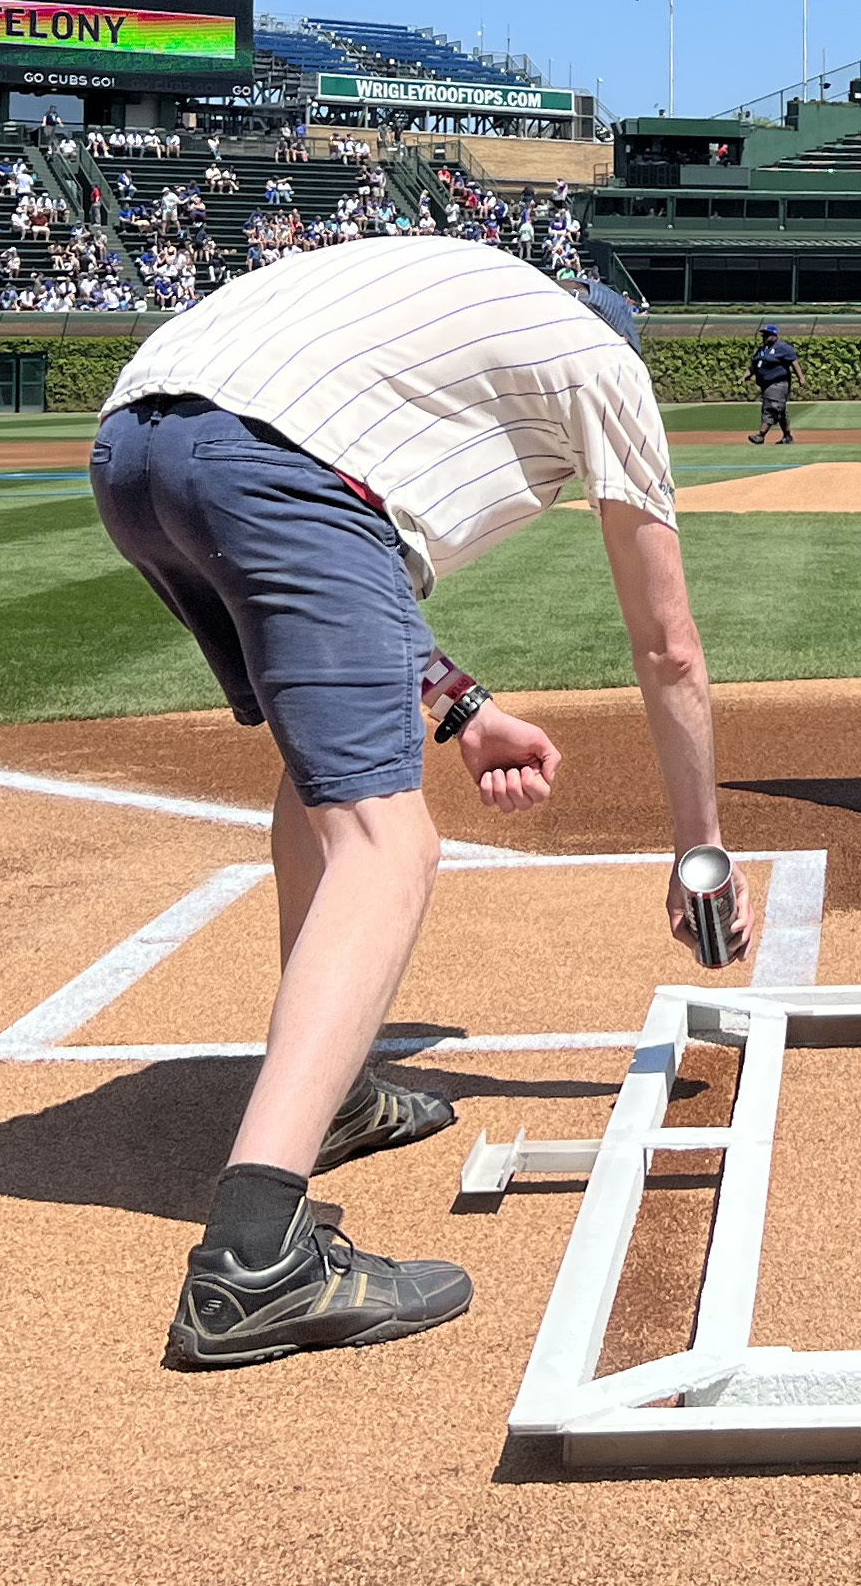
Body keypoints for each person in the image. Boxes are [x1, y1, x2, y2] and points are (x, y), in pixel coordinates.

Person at [92, 233, 747, 1372]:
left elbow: (351, 573)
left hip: (134, 450)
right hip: (270, 466)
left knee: (324, 781)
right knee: (390, 844)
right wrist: (702, 850)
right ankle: (253, 1259)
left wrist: (464, 710)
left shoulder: (441, 307)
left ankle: (333, 1093)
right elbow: (670, 648)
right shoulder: (608, 367)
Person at [744, 324, 799, 447]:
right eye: (764, 335)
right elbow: (753, 366)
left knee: (771, 408)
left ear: (775, 336)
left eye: (768, 335)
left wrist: (801, 377)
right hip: (766, 385)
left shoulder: (783, 348)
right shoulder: (762, 350)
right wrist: (746, 376)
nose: (765, 337)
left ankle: (760, 435)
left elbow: (794, 362)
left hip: (778, 383)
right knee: (781, 412)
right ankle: (787, 436)